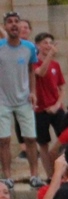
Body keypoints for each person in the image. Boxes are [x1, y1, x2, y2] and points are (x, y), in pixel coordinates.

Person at [0, 12, 41, 188]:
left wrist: (33, 92)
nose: (14, 25)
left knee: (30, 138)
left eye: (16, 22)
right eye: (10, 22)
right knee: (4, 140)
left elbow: (31, 70)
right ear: (5, 27)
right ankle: (8, 177)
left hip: (24, 99)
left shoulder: (29, 47)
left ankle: (34, 175)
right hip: (3, 100)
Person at [31, 32, 64, 180]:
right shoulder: (34, 63)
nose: (48, 46)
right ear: (38, 45)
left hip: (56, 108)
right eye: (45, 43)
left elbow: (61, 88)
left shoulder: (56, 65)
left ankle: (64, 172)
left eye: (50, 43)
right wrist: (50, 55)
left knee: (66, 138)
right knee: (43, 144)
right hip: (40, 109)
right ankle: (50, 176)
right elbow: (41, 73)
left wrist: (57, 105)